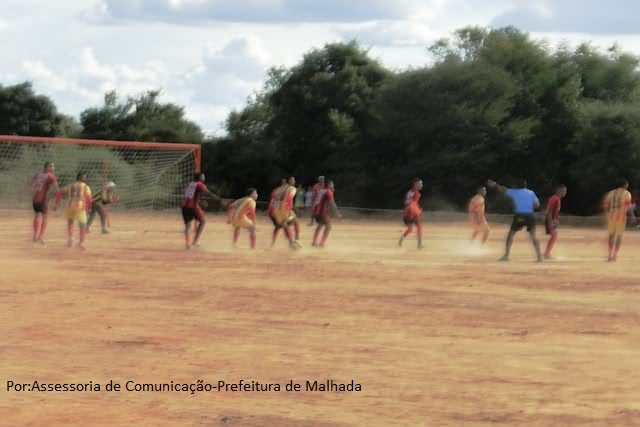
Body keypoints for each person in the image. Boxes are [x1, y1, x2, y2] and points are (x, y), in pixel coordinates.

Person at [487, 178, 543, 262]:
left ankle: (506, 255)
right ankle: (539, 257)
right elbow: (537, 205)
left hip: (520, 215)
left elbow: (503, 189)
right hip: (530, 216)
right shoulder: (531, 192)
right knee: (533, 236)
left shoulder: (514, 192)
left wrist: (495, 184)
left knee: (511, 235)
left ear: (517, 186)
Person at [180, 173, 223, 250]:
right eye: (203, 176)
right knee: (203, 221)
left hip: (184, 206)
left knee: (188, 225)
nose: (204, 178)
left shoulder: (190, 183)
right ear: (200, 178)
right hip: (193, 206)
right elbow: (208, 193)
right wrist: (218, 198)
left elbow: (189, 193)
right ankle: (195, 241)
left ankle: (187, 244)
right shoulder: (200, 184)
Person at [55, 172, 92, 250]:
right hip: (80, 207)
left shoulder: (70, 186)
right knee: (82, 225)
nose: (85, 179)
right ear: (81, 178)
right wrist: (89, 208)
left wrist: (57, 205)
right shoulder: (85, 186)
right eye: (84, 177)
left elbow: (59, 193)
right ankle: (81, 243)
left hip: (70, 206)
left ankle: (70, 240)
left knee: (70, 223)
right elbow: (89, 198)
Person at [602, 179, 636, 262]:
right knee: (619, 236)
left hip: (611, 217)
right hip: (621, 217)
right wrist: (632, 216)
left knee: (611, 235)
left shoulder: (611, 193)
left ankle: (610, 254)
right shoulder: (627, 194)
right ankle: (615, 254)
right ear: (625, 185)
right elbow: (627, 206)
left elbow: (605, 205)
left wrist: (607, 214)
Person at [31, 161, 58, 244]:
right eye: (52, 166)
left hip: (35, 199)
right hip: (43, 200)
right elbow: (56, 189)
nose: (53, 168)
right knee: (45, 217)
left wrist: (33, 194)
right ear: (47, 167)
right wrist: (50, 197)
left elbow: (32, 184)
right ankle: (40, 237)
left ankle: (35, 236)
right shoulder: (51, 176)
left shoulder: (38, 174)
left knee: (36, 215)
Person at [312, 180, 341, 248]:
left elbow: (316, 200)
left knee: (320, 225)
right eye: (332, 184)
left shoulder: (322, 190)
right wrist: (337, 213)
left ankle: (314, 242)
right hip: (322, 212)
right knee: (328, 226)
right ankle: (321, 243)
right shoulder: (329, 191)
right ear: (329, 185)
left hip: (316, 211)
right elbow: (332, 203)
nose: (333, 185)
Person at [275, 176, 301, 249]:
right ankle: (296, 241)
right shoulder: (292, 188)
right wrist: (289, 208)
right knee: (295, 221)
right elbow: (288, 198)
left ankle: (291, 242)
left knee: (285, 224)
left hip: (277, 208)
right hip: (285, 207)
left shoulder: (280, 188)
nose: (294, 181)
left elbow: (276, 197)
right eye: (292, 179)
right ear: (289, 181)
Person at [544, 185, 567, 259]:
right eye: (564, 191)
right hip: (549, 220)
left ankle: (547, 253)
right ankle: (546, 254)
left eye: (565, 191)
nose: (565, 192)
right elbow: (548, 211)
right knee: (554, 236)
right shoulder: (554, 199)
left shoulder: (557, 199)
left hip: (552, 220)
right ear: (559, 191)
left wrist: (556, 220)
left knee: (554, 236)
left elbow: (555, 212)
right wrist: (550, 222)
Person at [398, 178, 424, 249]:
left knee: (410, 229)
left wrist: (415, 208)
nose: (421, 185)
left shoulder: (409, 192)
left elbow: (408, 203)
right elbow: (412, 204)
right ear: (415, 184)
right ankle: (419, 245)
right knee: (419, 227)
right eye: (420, 183)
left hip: (406, 213)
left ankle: (402, 239)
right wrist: (418, 211)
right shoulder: (417, 194)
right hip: (411, 212)